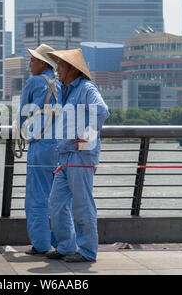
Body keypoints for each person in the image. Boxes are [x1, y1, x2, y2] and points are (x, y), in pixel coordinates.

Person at [45, 48, 110, 263]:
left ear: (73, 69)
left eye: (61, 66)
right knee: (56, 203)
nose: (57, 70)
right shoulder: (67, 91)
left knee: (82, 204)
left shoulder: (86, 88)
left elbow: (102, 111)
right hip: (64, 156)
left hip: (80, 157)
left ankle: (87, 251)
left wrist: (86, 137)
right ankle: (65, 246)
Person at [18, 44, 62, 256]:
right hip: (60, 147)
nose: (30, 64)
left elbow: (22, 115)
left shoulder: (34, 82)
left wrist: (21, 131)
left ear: (43, 63)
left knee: (37, 196)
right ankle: (60, 242)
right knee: (58, 197)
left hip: (40, 144)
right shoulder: (62, 83)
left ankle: (41, 244)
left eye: (33, 60)